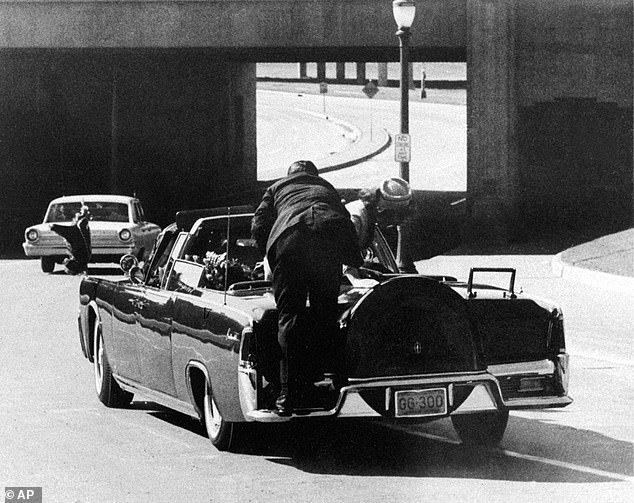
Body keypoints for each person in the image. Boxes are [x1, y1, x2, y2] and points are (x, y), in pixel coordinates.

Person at [251, 160, 362, 415]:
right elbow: (345, 222)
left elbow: (258, 224)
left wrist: (268, 255)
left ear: (290, 175)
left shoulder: (277, 188)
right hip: (328, 244)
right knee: (328, 316)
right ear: (314, 175)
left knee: (290, 318)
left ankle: (287, 396)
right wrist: (355, 261)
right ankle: (336, 385)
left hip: (290, 243)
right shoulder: (327, 188)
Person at [50, 205, 92, 274]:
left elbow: (68, 232)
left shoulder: (84, 258)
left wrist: (54, 227)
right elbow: (70, 232)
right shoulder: (80, 256)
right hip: (77, 239)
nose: (66, 259)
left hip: (77, 238)